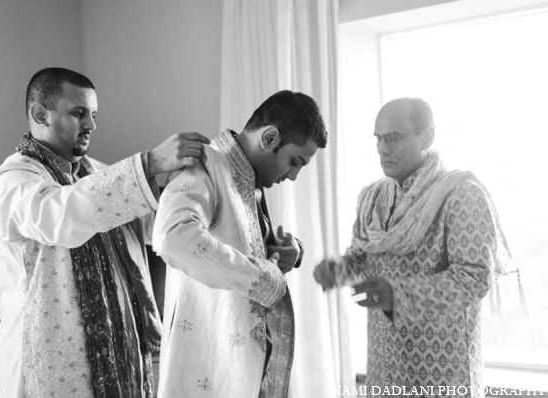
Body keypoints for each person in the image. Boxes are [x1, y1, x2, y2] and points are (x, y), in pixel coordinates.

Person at [0, 67, 210, 398]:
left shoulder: (101, 174)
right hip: (51, 372)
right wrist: (148, 163)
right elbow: (63, 214)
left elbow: (164, 226)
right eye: (79, 113)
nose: (91, 125)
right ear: (39, 114)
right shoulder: (10, 182)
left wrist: (188, 190)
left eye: (93, 114)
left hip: (123, 360)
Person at [313, 98, 513, 397]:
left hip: (444, 372)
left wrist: (399, 294)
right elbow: (362, 258)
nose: (382, 148)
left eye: (393, 138)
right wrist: (338, 270)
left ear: (427, 137)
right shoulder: (373, 198)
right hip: (385, 365)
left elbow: (473, 279)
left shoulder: (461, 195)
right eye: (378, 139)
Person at [152, 90, 328, 397]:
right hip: (212, 359)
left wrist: (288, 252)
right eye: (295, 161)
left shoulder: (249, 179)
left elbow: (241, 244)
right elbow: (172, 237)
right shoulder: (205, 167)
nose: (294, 175)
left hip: (247, 364)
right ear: (270, 138)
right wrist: (262, 279)